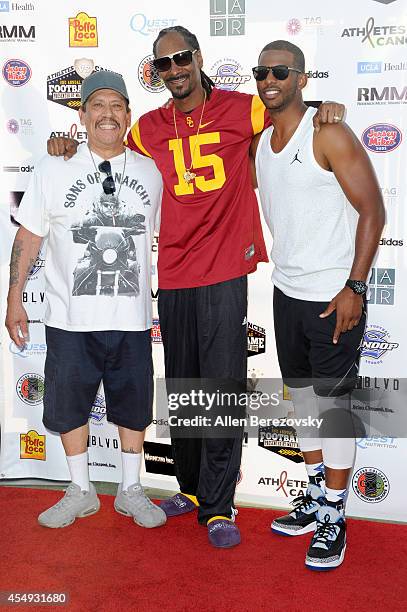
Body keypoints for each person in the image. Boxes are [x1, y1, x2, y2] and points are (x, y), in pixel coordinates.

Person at [47, 26, 345, 548]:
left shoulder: (240, 107)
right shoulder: (147, 128)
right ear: (157, 73)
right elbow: (105, 143)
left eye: (182, 58)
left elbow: (288, 108)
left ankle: (219, 503)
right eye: (163, 63)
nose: (175, 69)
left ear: (198, 58)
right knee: (184, 387)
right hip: (174, 273)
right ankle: (189, 487)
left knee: (221, 388)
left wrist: (327, 105)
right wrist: (67, 143)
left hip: (225, 268)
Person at [6, 70, 166, 530]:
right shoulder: (53, 167)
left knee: (134, 407)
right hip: (68, 318)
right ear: (82, 116)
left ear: (129, 116)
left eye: (117, 106)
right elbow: (30, 234)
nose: (108, 115)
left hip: (132, 319)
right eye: (98, 106)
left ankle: (130, 489)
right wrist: (15, 296)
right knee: (68, 406)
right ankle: (80, 490)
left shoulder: (150, 171)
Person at [251, 40, 384, 569]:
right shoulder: (259, 143)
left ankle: (335, 513)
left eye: (281, 70)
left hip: (335, 297)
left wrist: (354, 286)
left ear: (303, 79)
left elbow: (373, 211)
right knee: (304, 403)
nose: (269, 78)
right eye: (262, 71)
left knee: (332, 411)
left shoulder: (328, 131)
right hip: (287, 292)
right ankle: (314, 497)